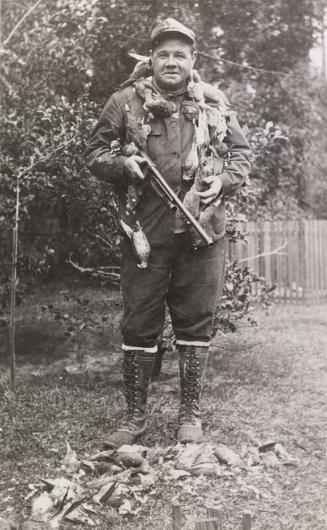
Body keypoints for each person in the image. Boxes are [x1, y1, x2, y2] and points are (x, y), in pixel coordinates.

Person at [85, 18, 251, 448]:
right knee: (139, 325)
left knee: (196, 323)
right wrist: (122, 165)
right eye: (164, 54)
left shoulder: (214, 102)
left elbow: (241, 156)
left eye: (180, 54)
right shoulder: (124, 103)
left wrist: (224, 182)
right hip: (146, 237)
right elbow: (94, 153)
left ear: (192, 60)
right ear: (152, 59)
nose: (172, 62)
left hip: (202, 235)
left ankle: (190, 416)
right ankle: (135, 418)